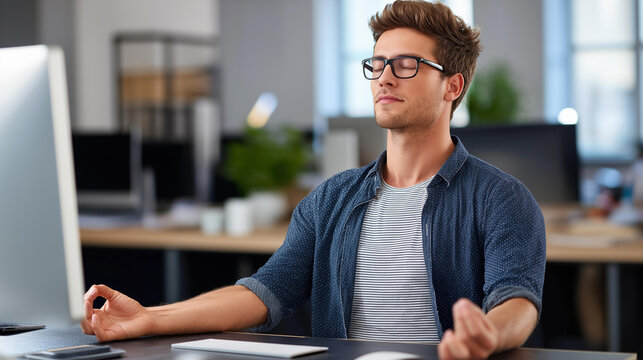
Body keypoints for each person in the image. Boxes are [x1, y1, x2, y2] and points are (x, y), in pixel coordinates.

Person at [82, 1, 546, 359]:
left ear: (452, 85)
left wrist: (488, 334)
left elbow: (516, 300)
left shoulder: (501, 199)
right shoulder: (331, 199)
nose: (385, 77)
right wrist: (148, 318)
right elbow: (266, 293)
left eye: (406, 64)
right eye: (378, 63)